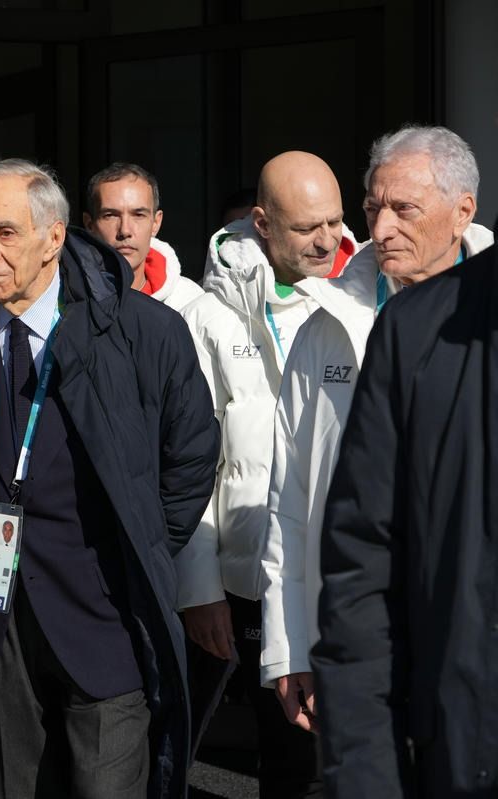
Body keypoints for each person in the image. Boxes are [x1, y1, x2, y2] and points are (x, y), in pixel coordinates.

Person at [0, 158, 218, 798]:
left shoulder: (141, 331)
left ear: (53, 238)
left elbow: (189, 458)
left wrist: (139, 549)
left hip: (104, 620)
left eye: (5, 233)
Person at [260, 126, 492, 738]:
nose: (380, 229)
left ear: (463, 211)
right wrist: (290, 647)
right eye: (372, 209)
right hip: (358, 636)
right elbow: (288, 502)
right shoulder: (324, 326)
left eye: (403, 209)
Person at [178, 151, 359, 796]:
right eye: (307, 227)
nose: (327, 240)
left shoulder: (363, 298)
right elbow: (189, 458)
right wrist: (199, 586)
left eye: (335, 221)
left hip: (348, 569)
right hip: (250, 573)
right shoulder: (208, 314)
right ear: (262, 223)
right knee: (285, 757)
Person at [82, 162, 203, 310]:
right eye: (111, 215)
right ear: (89, 225)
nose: (125, 230)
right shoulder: (64, 297)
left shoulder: (190, 303)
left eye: (138, 215)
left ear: (156, 223)